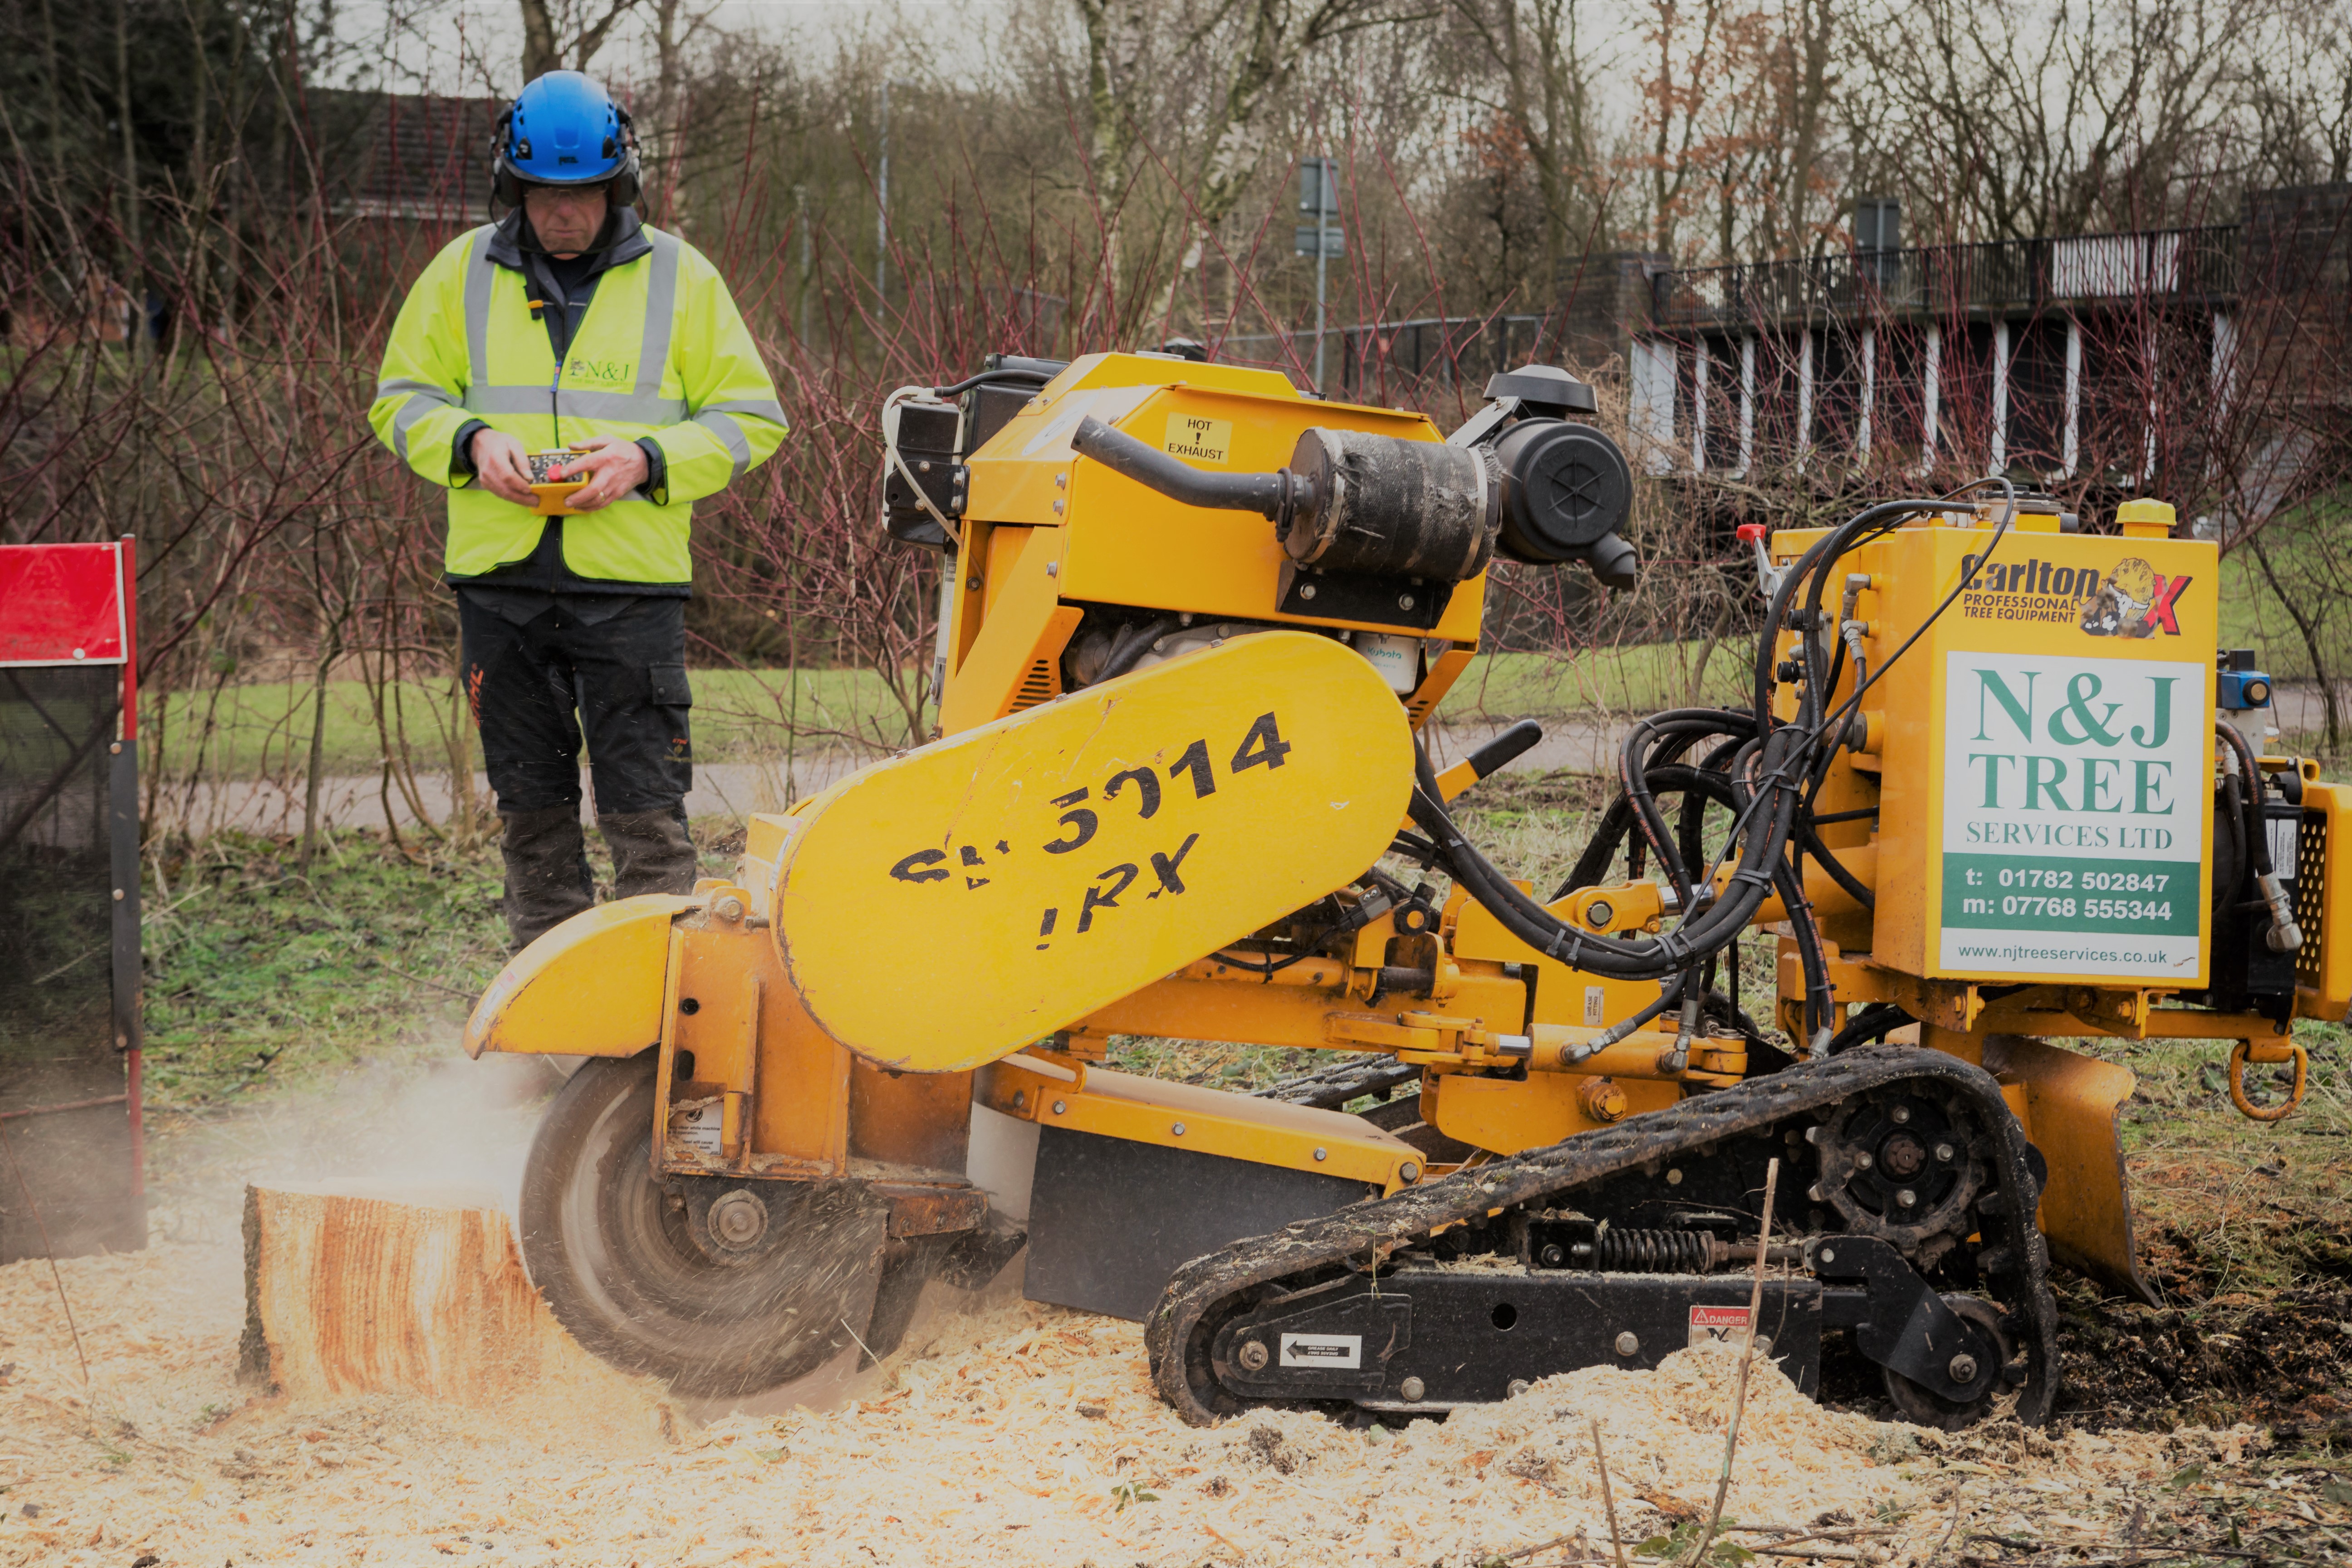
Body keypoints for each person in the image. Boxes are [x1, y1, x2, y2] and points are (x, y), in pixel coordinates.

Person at [369, 71, 786, 949]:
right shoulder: (460, 272)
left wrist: (648, 458)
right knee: (533, 820)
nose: (564, 214)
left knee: (647, 819)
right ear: (513, 187)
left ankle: (663, 1027)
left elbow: (754, 418)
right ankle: (556, 1031)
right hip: (500, 589)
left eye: (584, 195)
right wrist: (472, 441)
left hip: (631, 592)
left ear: (619, 184)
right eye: (544, 196)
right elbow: (399, 399)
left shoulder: (681, 277)